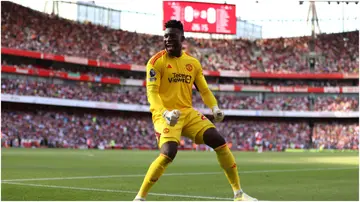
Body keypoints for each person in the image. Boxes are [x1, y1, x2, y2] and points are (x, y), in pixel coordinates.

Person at [134, 20, 257, 201]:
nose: (168, 40)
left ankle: (238, 194)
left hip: (187, 112)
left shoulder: (192, 63)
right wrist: (164, 113)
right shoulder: (155, 62)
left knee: (219, 141)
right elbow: (152, 94)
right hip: (165, 114)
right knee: (169, 152)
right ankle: (140, 197)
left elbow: (204, 90)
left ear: (182, 38)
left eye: (172, 36)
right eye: (165, 36)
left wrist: (214, 107)